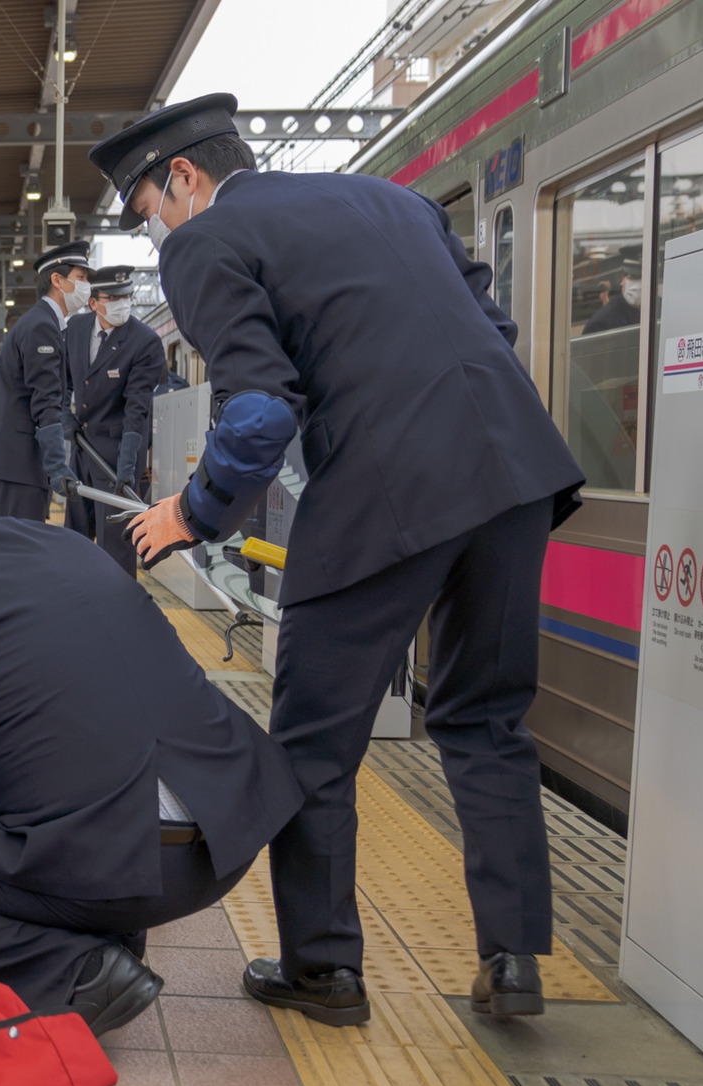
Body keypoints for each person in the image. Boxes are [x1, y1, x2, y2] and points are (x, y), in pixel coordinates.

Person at [91, 94, 586, 1024]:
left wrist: (193, 514)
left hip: (384, 498)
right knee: (486, 721)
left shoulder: (208, 242)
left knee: (315, 741)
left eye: (151, 207)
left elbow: (260, 408)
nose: (156, 231)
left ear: (185, 177)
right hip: (514, 472)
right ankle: (514, 958)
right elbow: (493, 332)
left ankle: (323, 969)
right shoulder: (396, 201)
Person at [0, 448, 305, 1036]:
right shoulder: (65, 548)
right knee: (43, 820)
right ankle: (110, 941)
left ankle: (83, 973)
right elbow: (69, 697)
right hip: (229, 830)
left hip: (123, 863)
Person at [61, 265, 165, 576]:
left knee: (115, 548)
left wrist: (127, 465)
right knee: (74, 536)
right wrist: (65, 412)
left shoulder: (144, 342)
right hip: (83, 451)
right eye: (114, 297)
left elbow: (137, 410)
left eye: (127, 296)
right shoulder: (75, 330)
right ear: (94, 302)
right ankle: (74, 600)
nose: (123, 303)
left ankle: (119, 611)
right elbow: (63, 379)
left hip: (119, 456)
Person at [0, 242, 89, 521]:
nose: (88, 286)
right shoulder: (42, 326)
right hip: (21, 464)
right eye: (82, 278)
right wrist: (56, 466)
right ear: (57, 280)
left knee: (4, 548)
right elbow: (45, 399)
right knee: (22, 550)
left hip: (8, 461)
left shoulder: (37, 322)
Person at [581, 263, 642, 334]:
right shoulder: (600, 323)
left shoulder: (657, 308)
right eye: (634, 277)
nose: (639, 284)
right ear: (623, 279)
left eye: (645, 277)